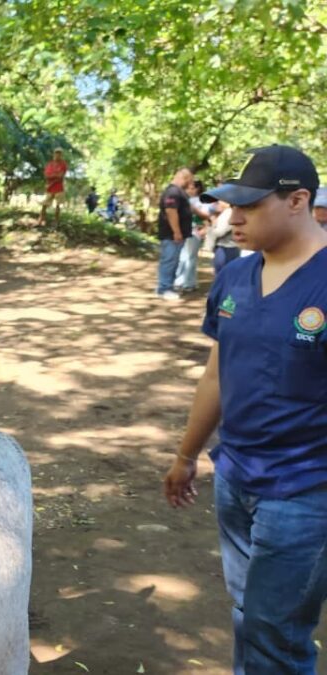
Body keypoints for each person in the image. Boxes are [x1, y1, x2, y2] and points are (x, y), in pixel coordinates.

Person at [163, 144, 327, 674]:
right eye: (232, 206)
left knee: (276, 634)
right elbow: (217, 372)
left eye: (249, 206)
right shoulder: (234, 278)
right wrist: (186, 455)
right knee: (247, 614)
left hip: (305, 491)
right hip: (234, 478)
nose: (233, 218)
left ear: (298, 201)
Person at [157, 168, 194, 300]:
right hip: (171, 234)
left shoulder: (178, 192)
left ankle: (169, 286)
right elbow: (171, 211)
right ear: (184, 178)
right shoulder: (173, 192)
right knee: (169, 260)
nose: (190, 184)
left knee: (174, 261)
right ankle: (164, 288)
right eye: (190, 181)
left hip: (177, 234)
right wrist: (176, 232)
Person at [176, 179, 215, 292]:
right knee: (186, 256)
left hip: (194, 230)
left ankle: (186, 282)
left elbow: (206, 216)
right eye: (188, 188)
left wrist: (195, 212)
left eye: (192, 188)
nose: (189, 190)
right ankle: (187, 281)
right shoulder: (187, 200)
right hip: (187, 230)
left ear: (197, 189)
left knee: (189, 256)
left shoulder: (201, 201)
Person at [40, 148, 68, 225]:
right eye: (56, 153)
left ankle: (56, 221)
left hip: (59, 188)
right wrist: (55, 175)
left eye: (59, 153)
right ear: (54, 154)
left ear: (61, 155)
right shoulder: (50, 164)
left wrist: (52, 176)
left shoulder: (63, 164)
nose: (57, 155)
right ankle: (41, 219)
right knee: (44, 204)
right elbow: (46, 175)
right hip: (49, 187)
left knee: (58, 205)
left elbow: (61, 176)